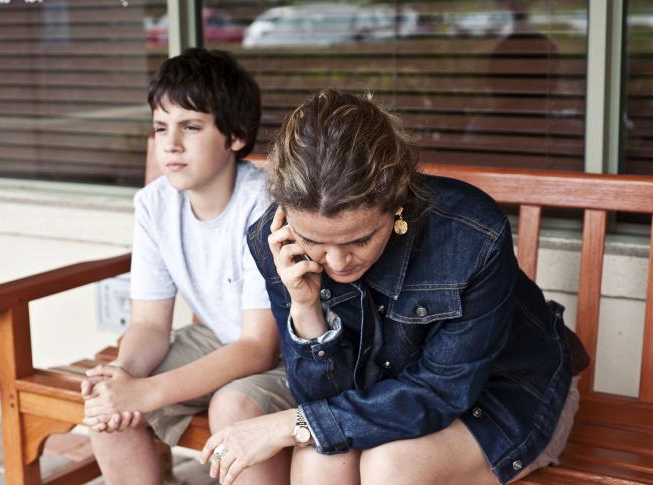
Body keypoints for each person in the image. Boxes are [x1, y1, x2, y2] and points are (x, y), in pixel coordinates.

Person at [199, 89, 588, 485]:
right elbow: (320, 400)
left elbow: (441, 393)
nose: (335, 262)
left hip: (502, 388)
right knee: (321, 459)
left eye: (359, 240)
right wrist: (305, 309)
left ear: (397, 197)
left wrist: (288, 425)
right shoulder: (276, 239)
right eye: (314, 242)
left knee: (389, 468)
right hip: (381, 395)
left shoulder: (472, 235)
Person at [80, 48, 296, 485]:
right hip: (216, 336)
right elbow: (149, 325)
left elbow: (258, 347)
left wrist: (145, 392)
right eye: (161, 128)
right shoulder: (155, 204)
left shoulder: (263, 204)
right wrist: (125, 377)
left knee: (233, 409)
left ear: (235, 136)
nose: (170, 144)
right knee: (108, 403)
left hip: (293, 351)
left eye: (191, 127)